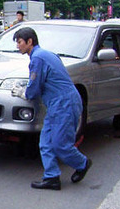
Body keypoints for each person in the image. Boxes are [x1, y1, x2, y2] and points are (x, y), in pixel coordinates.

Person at [12, 27, 91, 190]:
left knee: (60, 144)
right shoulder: (47, 54)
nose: (17, 46)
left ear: (29, 42)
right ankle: (52, 177)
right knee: (46, 143)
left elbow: (33, 89)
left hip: (64, 104)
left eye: (19, 42)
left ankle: (82, 163)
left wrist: (22, 93)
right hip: (58, 104)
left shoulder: (37, 59)